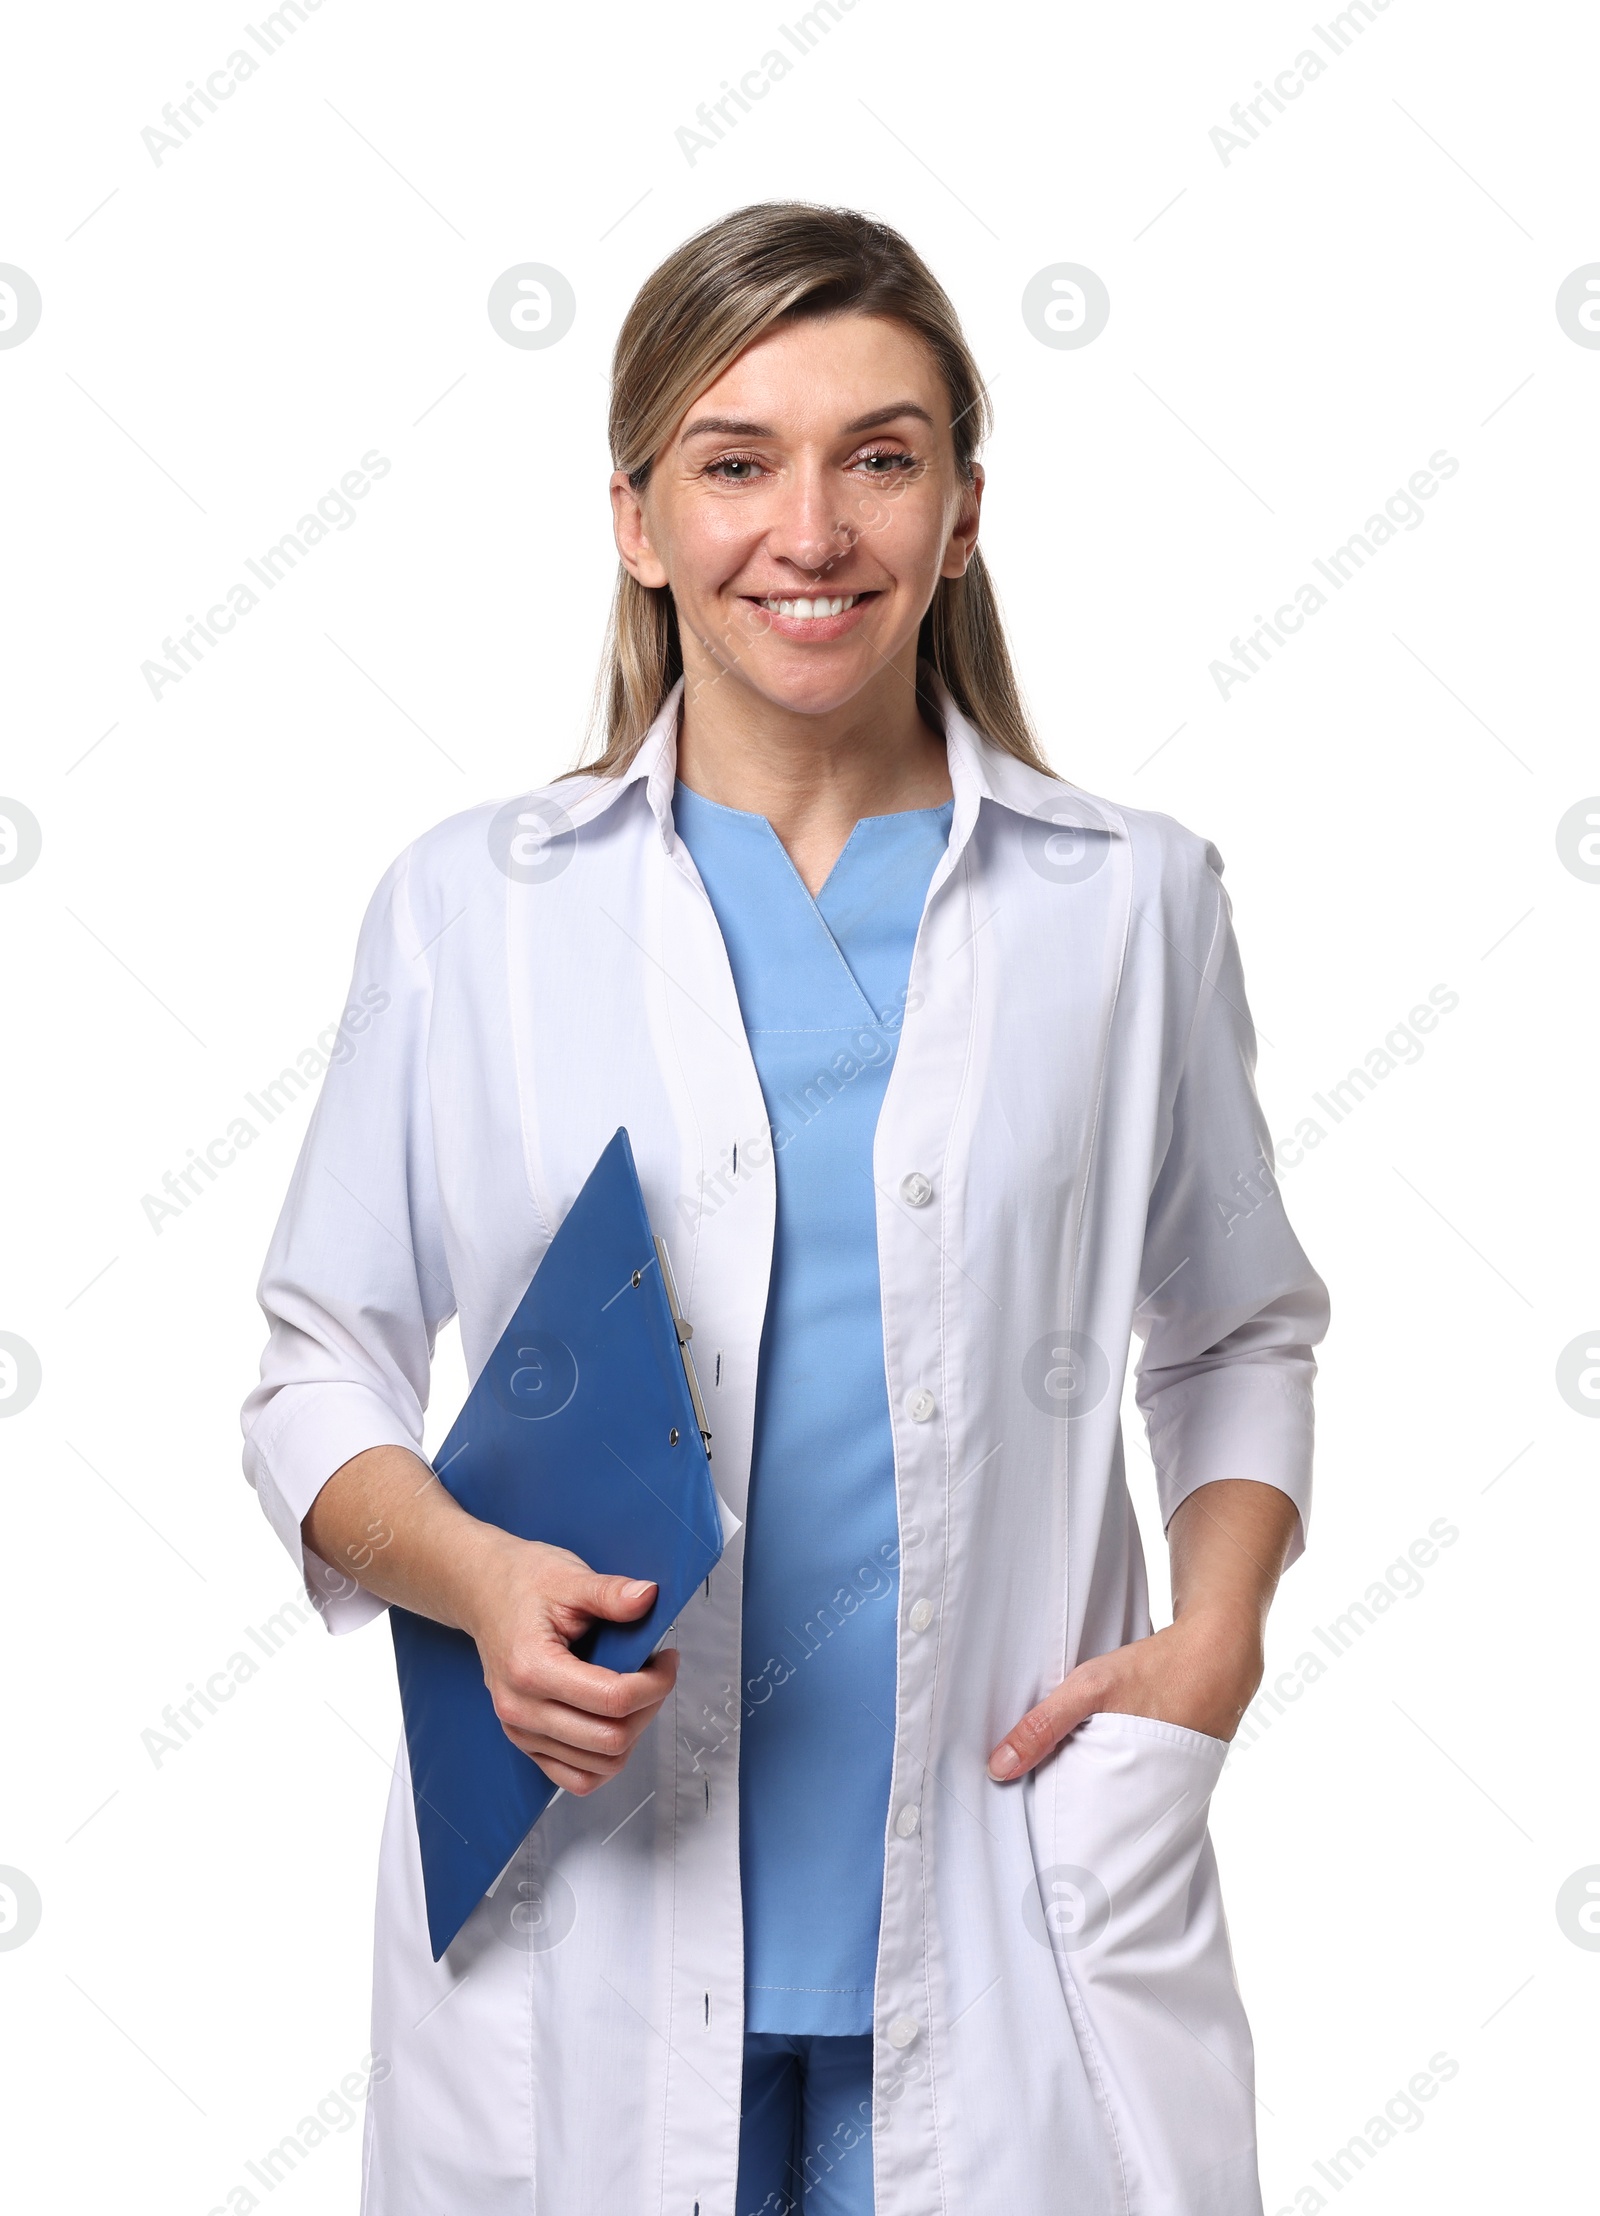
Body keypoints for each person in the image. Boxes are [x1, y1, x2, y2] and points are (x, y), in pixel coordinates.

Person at [240, 201, 1329, 2216]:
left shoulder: (1126, 902)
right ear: (638, 519)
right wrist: (474, 1579)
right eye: (734, 462)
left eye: (877, 456)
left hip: (1016, 1900)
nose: (806, 530)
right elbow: (315, 1369)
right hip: (590, 1903)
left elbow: (1236, 1324)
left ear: (961, 510)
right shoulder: (474, 909)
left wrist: (1219, 1636)